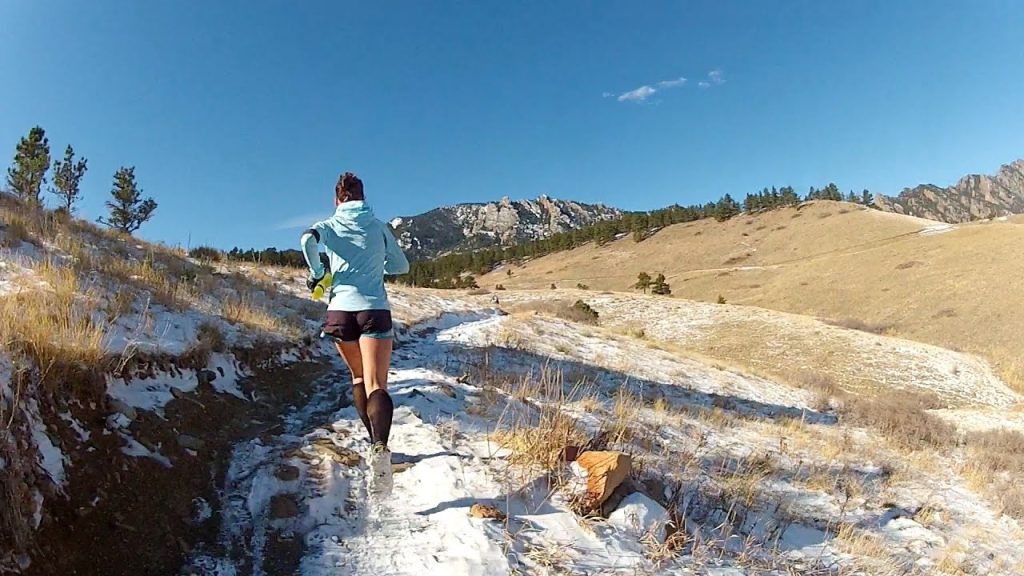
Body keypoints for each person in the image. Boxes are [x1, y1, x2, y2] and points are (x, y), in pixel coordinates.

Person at [300, 172, 410, 496]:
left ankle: (374, 445)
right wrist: (379, 265)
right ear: (362, 197)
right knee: (378, 384)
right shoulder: (378, 226)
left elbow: (306, 240)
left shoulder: (329, 225)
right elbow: (402, 267)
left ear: (337, 200)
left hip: (339, 311)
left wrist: (319, 272)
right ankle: (380, 448)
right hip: (373, 309)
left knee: (359, 378)